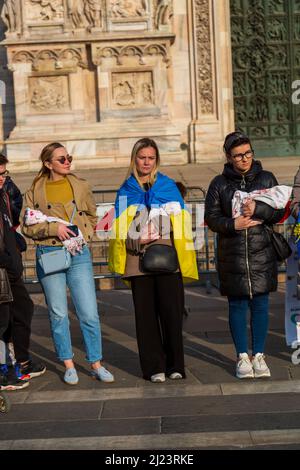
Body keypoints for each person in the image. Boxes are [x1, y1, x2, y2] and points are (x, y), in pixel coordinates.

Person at [21, 142, 114, 385]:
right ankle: (68, 363)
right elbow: (27, 225)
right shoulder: (35, 190)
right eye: (61, 159)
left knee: (89, 313)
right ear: (48, 163)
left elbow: (92, 215)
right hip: (50, 252)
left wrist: (85, 234)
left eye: (68, 157)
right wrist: (55, 228)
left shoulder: (80, 184)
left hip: (78, 253)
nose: (67, 162)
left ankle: (96, 363)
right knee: (58, 313)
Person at [108, 138, 198, 383]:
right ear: (134, 159)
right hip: (137, 262)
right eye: (142, 157)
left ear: (156, 160)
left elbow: (181, 224)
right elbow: (115, 230)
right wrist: (140, 236)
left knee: (171, 313)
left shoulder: (168, 186)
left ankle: (175, 365)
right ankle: (153, 367)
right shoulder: (126, 190)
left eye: (151, 158)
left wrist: (159, 225)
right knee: (145, 318)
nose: (146, 162)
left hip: (168, 258)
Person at [205, 131, 285, 379]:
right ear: (228, 157)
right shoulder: (219, 184)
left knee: (260, 303)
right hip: (233, 252)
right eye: (238, 155)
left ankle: (259, 355)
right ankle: (242, 356)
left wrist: (258, 207)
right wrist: (233, 225)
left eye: (248, 153)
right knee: (237, 304)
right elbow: (211, 218)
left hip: (261, 250)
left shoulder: (267, 178)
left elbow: (278, 213)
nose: (244, 159)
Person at [0, 155, 45, 390]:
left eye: (5, 173)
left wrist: (16, 242)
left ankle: (21, 360)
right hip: (3, 266)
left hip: (10, 265)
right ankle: (4, 370)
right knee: (2, 318)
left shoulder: (5, 192)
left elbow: (9, 223)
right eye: (0, 174)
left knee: (23, 308)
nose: (3, 179)